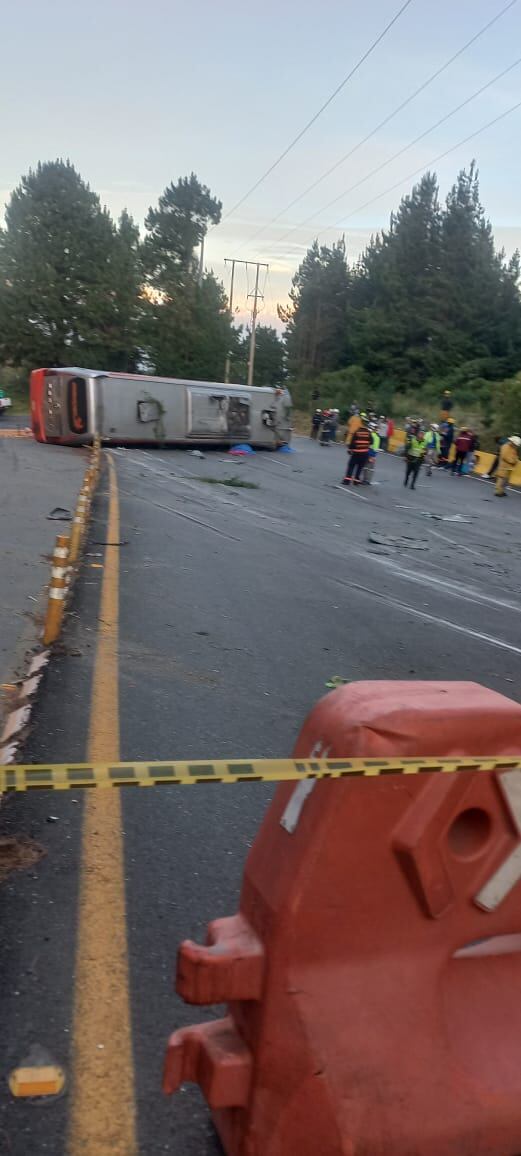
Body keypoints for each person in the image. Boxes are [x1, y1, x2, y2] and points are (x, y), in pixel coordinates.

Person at [342, 418, 372, 486]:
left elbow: (352, 442)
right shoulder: (368, 432)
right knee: (360, 467)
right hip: (364, 453)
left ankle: (347, 480)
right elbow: (371, 442)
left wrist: (350, 450)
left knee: (351, 466)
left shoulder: (357, 432)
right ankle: (356, 481)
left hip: (356, 453)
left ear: (361, 423)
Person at [403, 424, 426, 490]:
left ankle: (412, 485)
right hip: (410, 458)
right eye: (420, 433)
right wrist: (405, 456)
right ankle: (406, 479)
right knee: (408, 472)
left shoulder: (424, 442)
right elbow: (407, 448)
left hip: (418, 460)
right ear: (418, 434)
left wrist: (423, 458)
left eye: (423, 434)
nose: (421, 435)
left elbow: (424, 451)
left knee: (416, 472)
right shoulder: (412, 440)